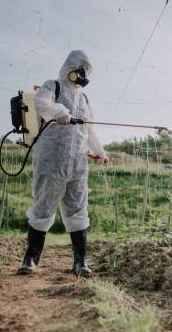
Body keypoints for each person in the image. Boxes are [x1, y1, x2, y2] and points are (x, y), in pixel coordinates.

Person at [18, 50, 108, 277]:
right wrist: (60, 111)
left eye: (85, 73)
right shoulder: (53, 86)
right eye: (79, 70)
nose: (81, 77)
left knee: (78, 209)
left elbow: (89, 129)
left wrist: (99, 151)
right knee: (43, 206)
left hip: (78, 161)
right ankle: (30, 258)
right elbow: (41, 103)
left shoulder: (84, 99)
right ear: (70, 68)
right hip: (52, 160)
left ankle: (80, 262)